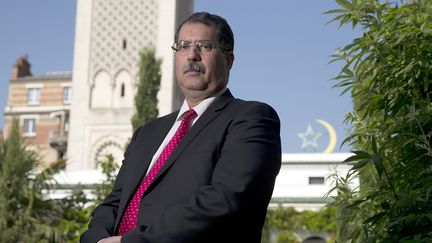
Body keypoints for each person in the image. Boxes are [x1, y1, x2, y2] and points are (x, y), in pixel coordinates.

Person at [80, 11, 281, 243]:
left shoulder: (251, 119)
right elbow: (115, 202)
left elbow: (226, 200)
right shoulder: (148, 133)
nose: (192, 55)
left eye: (205, 46)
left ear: (228, 60)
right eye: (183, 46)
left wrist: (130, 242)